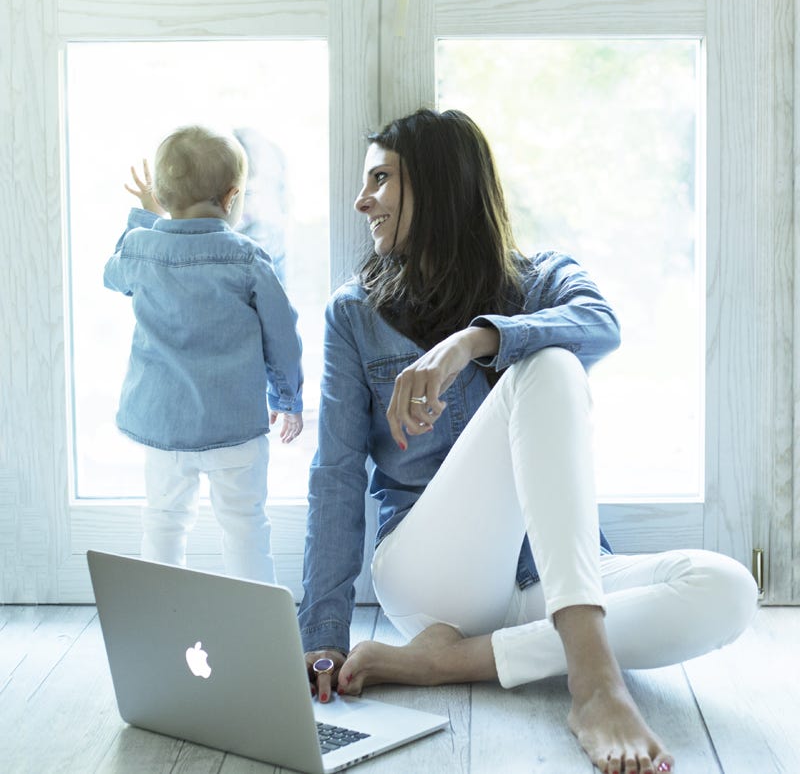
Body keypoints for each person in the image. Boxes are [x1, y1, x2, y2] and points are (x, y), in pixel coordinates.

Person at [298, 108, 757, 774]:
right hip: (434, 580)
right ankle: (594, 684)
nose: (362, 200)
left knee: (728, 589)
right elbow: (335, 475)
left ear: (436, 183)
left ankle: (455, 660)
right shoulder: (353, 313)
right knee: (549, 365)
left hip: (546, 583)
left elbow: (599, 322)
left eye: (380, 179)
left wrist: (475, 340)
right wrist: (324, 638)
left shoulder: (538, 278)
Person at [104, 125, 303, 584]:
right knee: (245, 527)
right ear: (232, 196)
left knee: (163, 523)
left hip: (163, 430)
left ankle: (160, 621)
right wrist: (287, 398)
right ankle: (256, 629)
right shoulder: (248, 258)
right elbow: (283, 334)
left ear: (161, 194)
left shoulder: (141, 248)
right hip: (234, 430)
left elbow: (113, 277)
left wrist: (142, 217)